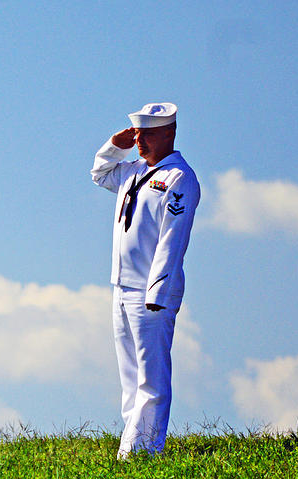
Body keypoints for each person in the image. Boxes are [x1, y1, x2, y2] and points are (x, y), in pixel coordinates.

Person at [90, 102, 200, 458]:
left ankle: (145, 450)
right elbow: (100, 173)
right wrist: (115, 144)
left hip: (151, 291)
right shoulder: (133, 171)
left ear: (169, 133)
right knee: (129, 375)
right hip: (121, 287)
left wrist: (159, 291)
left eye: (147, 134)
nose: (140, 141)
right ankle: (132, 444)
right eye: (137, 133)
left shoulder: (179, 178)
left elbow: (173, 238)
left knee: (151, 376)